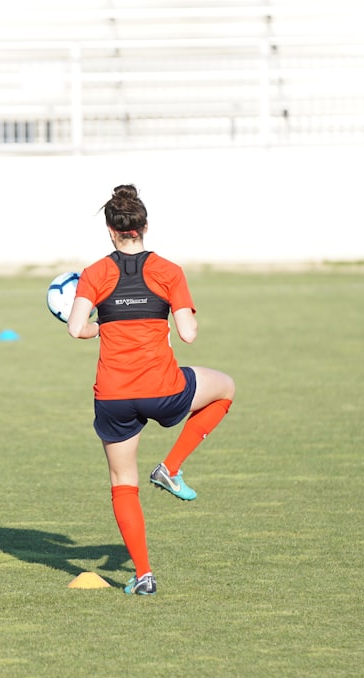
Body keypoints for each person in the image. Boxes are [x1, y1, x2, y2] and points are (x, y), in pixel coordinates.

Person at [66, 184, 236, 595]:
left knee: (123, 482)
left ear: (110, 231)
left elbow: (75, 329)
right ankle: (171, 468)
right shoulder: (168, 271)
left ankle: (144, 576)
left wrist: (102, 325)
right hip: (164, 389)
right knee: (225, 387)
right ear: (145, 227)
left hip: (113, 396)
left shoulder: (94, 273)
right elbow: (189, 334)